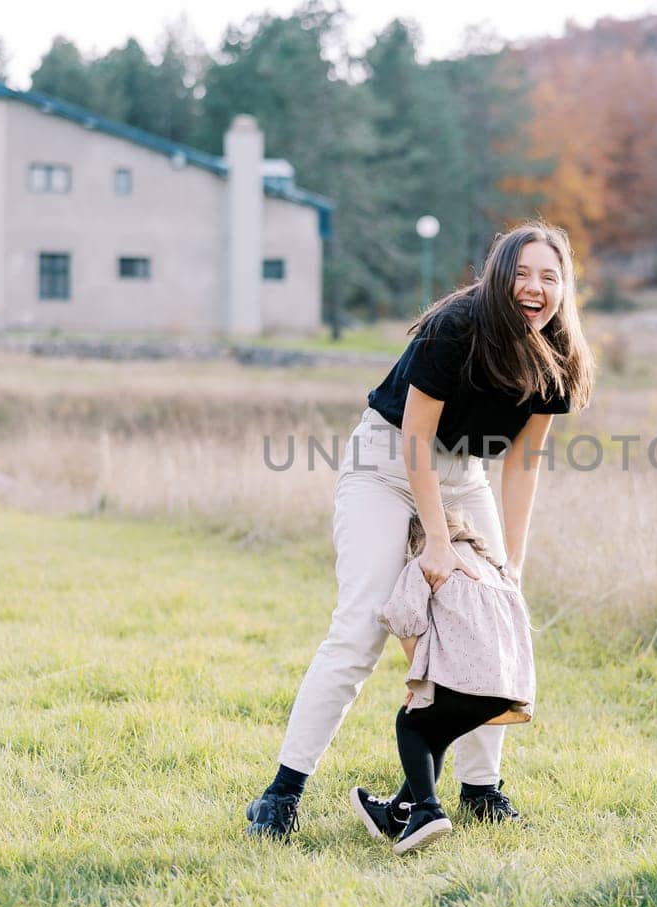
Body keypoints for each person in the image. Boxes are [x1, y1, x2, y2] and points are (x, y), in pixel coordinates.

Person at [245, 220, 596, 842]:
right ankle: (281, 795)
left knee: (490, 625)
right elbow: (413, 439)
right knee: (359, 630)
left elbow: (521, 463)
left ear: (565, 287)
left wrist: (511, 564)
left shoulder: (561, 354)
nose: (534, 289)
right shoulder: (456, 326)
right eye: (520, 274)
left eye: (549, 277)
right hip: (385, 465)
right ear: (496, 277)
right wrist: (435, 539)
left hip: (465, 477)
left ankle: (481, 792)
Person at [350, 506, 536, 854]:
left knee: (411, 725)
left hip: (465, 680)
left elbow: (405, 620)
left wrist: (417, 683)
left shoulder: (427, 562)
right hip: (506, 687)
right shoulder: (494, 570)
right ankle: (394, 814)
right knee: (434, 736)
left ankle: (428, 811)